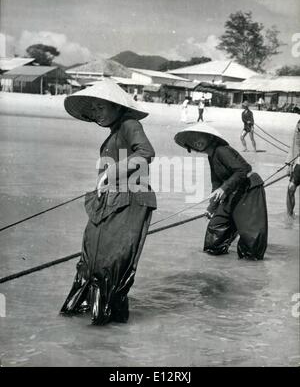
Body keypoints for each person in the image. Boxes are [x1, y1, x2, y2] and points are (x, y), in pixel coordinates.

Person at [61, 78, 157, 325]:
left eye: (101, 107)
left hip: (129, 202)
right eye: (93, 109)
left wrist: (111, 173)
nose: (96, 114)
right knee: (91, 259)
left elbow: (146, 153)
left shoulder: (129, 123)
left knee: (108, 264)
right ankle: (96, 331)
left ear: (117, 107)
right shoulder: (115, 132)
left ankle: (102, 325)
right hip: (114, 201)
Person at [174, 124, 268, 260]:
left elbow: (244, 169)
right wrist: (211, 207)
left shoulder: (222, 150)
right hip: (232, 192)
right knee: (215, 232)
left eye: (200, 137)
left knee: (251, 246)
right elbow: (216, 183)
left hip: (249, 191)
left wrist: (224, 189)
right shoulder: (211, 156)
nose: (196, 141)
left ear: (211, 138)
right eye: (192, 140)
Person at [286, 120, 300, 219]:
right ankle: (290, 216)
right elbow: (294, 145)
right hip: (298, 163)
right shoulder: (298, 124)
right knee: (291, 188)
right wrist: (289, 164)